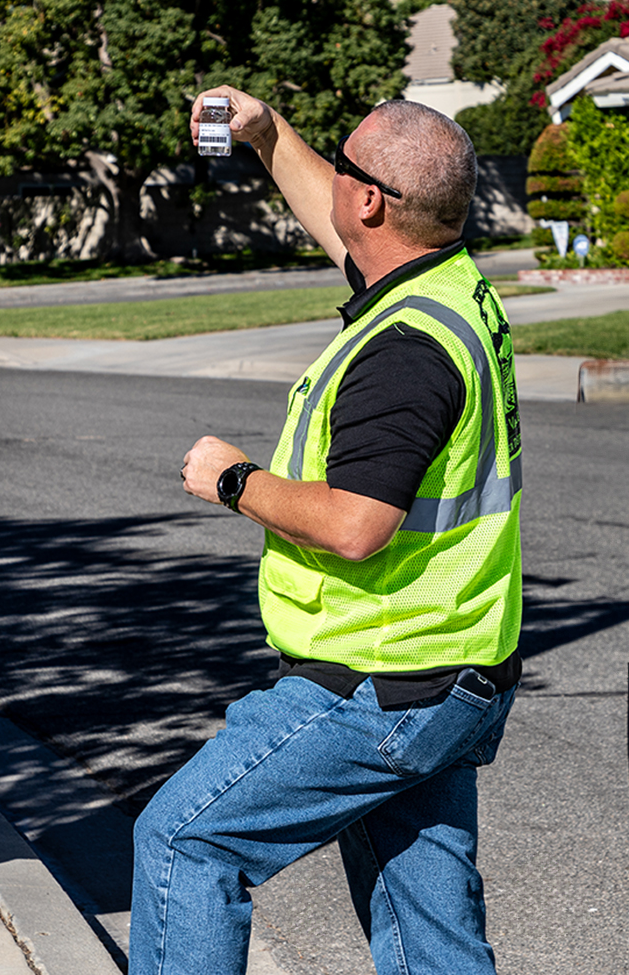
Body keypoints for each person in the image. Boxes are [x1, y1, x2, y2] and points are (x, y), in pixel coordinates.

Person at [129, 87, 523, 975]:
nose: (332, 183)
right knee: (427, 927)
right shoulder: (446, 286)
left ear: (372, 200)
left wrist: (236, 481)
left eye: (343, 169)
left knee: (185, 846)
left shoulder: (404, 352)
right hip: (452, 672)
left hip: (377, 683)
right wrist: (268, 135)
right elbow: (339, 215)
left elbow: (355, 525)